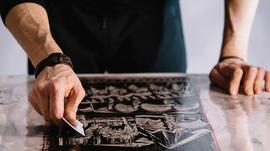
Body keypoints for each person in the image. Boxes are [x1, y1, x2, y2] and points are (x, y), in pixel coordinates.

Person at [0, 0, 269, 126]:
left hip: (152, 18)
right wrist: (50, 58)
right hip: (61, 16)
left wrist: (232, 55)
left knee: (164, 133)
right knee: (57, 123)